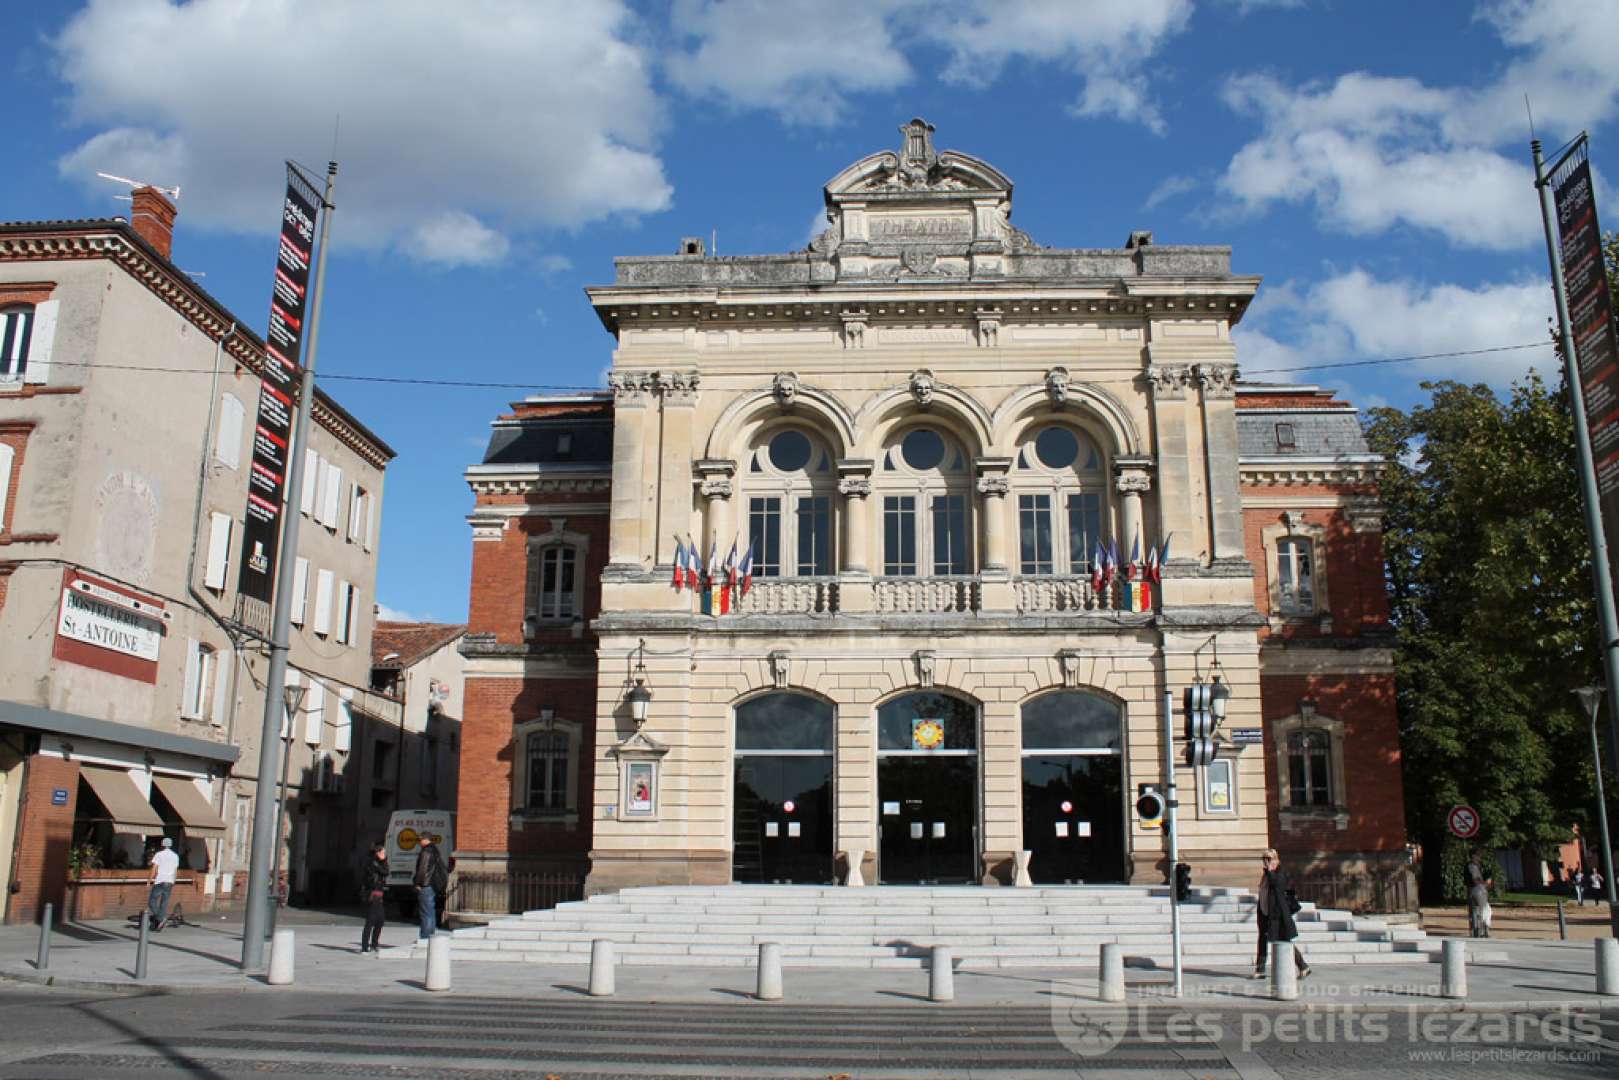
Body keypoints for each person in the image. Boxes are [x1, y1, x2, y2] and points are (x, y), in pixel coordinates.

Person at [1252, 848, 1309, 980]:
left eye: (1269, 858)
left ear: (1276, 859)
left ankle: (1303, 966)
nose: (1266, 862)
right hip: (1264, 912)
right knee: (1262, 939)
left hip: (1277, 914)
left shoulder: (1280, 873)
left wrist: (1270, 871)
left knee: (1284, 940)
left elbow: (1277, 885)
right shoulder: (1266, 874)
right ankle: (1260, 969)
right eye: (1264, 859)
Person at [412, 833, 448, 940]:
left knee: (425, 913)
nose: (419, 842)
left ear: (424, 839)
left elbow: (422, 869)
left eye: (420, 840)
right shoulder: (435, 850)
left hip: (426, 884)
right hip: (432, 884)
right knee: (430, 911)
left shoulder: (426, 851)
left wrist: (417, 883)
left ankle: (425, 937)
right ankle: (430, 936)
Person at [360, 839, 389, 955]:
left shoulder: (380, 862)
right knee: (370, 920)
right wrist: (383, 861)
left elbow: (386, 871)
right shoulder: (373, 863)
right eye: (382, 853)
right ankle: (364, 946)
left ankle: (374, 944)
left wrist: (384, 861)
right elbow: (385, 872)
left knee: (380, 920)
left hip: (379, 894)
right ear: (377, 853)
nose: (384, 855)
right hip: (373, 894)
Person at [147, 837, 179, 932]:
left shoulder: (159, 854)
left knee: (152, 901)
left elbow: (154, 868)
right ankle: (160, 920)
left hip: (160, 880)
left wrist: (149, 880)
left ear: (162, 844)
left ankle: (160, 918)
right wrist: (174, 880)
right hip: (169, 881)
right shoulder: (175, 856)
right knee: (164, 902)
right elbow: (175, 870)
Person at [1466, 852, 1492, 938]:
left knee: (1479, 911)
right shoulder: (1472, 867)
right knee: (1480, 911)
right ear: (1473, 857)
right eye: (1478, 856)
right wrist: (1485, 883)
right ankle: (1478, 931)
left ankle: (1477, 931)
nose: (1479, 858)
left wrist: (1487, 882)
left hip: (1479, 890)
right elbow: (1475, 880)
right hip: (1477, 891)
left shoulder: (1478, 867)